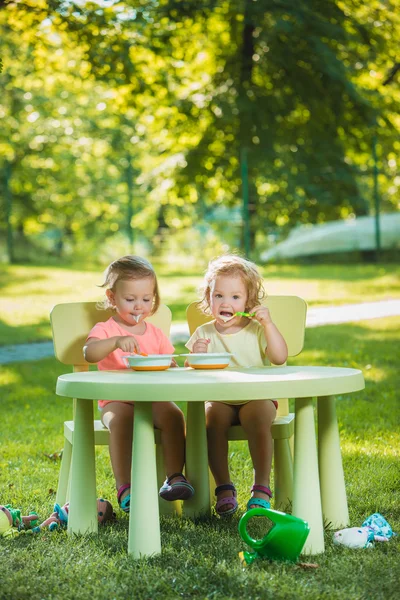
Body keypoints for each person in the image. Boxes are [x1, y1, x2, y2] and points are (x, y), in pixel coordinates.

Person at [84, 255, 194, 513]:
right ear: (112, 298)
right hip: (116, 399)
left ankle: (174, 477)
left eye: (146, 300)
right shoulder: (106, 329)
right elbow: (89, 353)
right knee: (121, 422)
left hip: (152, 398)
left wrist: (172, 366)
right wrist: (114, 342)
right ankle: (125, 487)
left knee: (174, 416)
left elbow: (169, 361)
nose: (138, 306)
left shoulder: (155, 333)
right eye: (130, 299)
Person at [185, 254, 288, 516]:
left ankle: (261, 487)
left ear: (248, 301)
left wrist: (269, 324)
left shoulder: (255, 329)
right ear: (208, 298)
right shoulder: (204, 333)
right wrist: (195, 357)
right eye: (218, 295)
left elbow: (279, 357)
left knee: (257, 417)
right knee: (210, 420)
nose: (225, 302)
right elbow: (188, 373)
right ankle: (224, 488)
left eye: (235, 297)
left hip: (256, 398)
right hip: (220, 400)